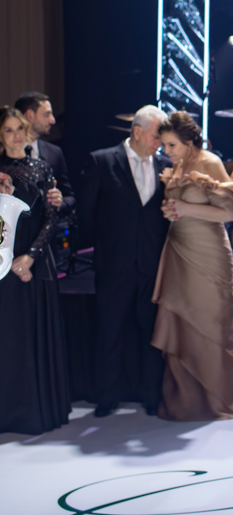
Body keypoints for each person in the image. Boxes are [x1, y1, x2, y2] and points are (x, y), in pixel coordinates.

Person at [151, 111, 233, 421]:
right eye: (164, 145)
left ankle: (220, 397)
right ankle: (187, 400)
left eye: (172, 145)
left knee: (211, 325)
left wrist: (185, 208)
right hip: (177, 250)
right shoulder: (177, 165)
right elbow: (180, 205)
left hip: (208, 253)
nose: (166, 151)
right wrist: (172, 210)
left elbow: (229, 213)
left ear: (189, 142)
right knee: (181, 323)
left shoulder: (210, 162)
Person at [79, 105, 171, 417]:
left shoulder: (165, 165)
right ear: (137, 132)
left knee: (151, 334)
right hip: (113, 266)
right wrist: (107, 248)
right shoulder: (102, 160)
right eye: (156, 136)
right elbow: (87, 212)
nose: (160, 143)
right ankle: (107, 397)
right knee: (109, 333)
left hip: (152, 265)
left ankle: (151, 396)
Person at [0, 107, 71, 434]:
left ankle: (34, 414)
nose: (16, 135)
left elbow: (50, 219)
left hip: (36, 260)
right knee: (7, 337)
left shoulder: (42, 167)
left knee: (33, 336)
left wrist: (29, 257)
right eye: (8, 130)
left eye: (20, 129)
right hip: (3, 263)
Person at [15, 91, 75, 218]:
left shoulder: (55, 152)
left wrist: (59, 202)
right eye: (47, 114)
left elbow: (69, 197)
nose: (53, 120)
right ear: (30, 115)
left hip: (46, 226)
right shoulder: (4, 153)